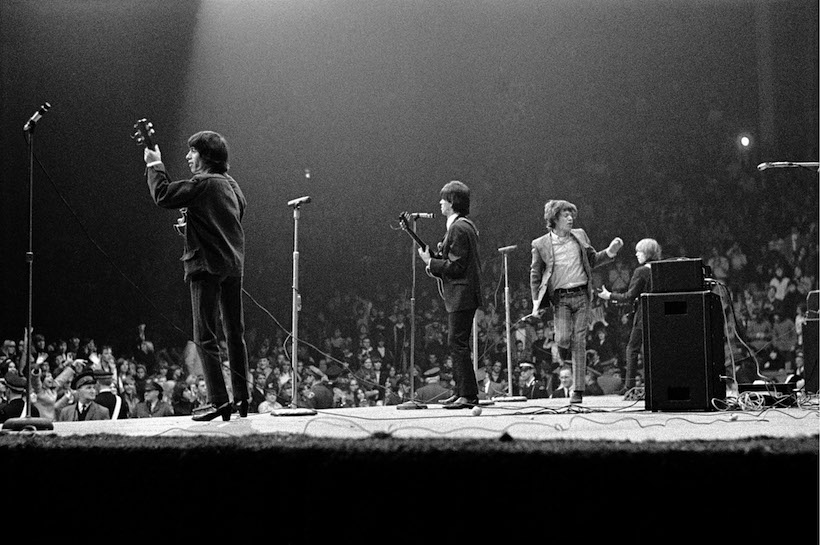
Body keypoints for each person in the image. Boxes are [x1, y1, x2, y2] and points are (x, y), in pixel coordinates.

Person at [143, 130, 251, 422]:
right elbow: (227, 218)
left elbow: (163, 194)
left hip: (206, 267)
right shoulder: (232, 185)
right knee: (234, 333)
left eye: (192, 152)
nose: (188, 157)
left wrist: (155, 165)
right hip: (233, 266)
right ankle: (242, 397)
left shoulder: (202, 183)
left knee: (205, 336)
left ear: (204, 156)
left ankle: (219, 401)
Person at [530, 200, 623, 404]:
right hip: (560, 298)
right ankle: (566, 353)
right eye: (566, 215)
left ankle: (577, 391)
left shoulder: (579, 235)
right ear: (554, 219)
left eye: (572, 215)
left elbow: (592, 260)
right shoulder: (540, 244)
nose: (571, 218)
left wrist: (610, 252)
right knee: (563, 339)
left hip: (582, 295)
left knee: (579, 341)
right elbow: (536, 274)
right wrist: (536, 302)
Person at [417, 180, 483, 409]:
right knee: (457, 343)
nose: (440, 203)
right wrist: (435, 260)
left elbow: (456, 267)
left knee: (457, 343)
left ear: (452, 202)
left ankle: (467, 395)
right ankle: (462, 392)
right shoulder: (463, 226)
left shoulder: (458, 228)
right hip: (463, 293)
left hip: (462, 294)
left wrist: (430, 262)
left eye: (443, 199)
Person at [598, 238, 662, 395]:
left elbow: (629, 296)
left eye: (639, 251)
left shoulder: (641, 271)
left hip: (644, 315)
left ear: (647, 253)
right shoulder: (662, 269)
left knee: (632, 349)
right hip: (660, 315)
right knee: (654, 351)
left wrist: (608, 295)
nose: (636, 254)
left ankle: (629, 386)